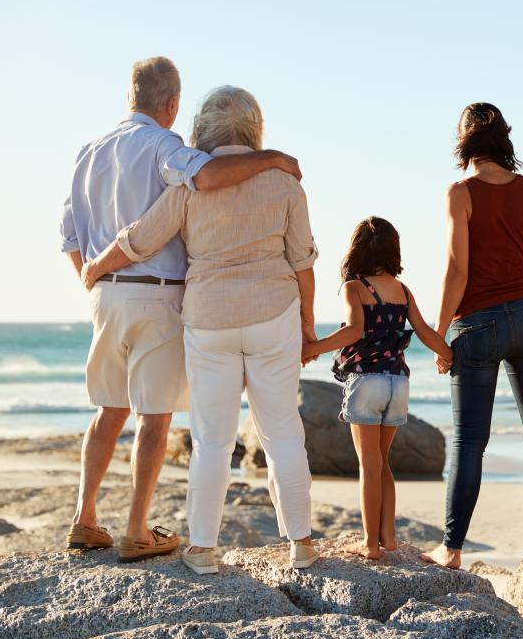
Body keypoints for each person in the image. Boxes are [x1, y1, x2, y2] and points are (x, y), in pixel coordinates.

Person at [60, 57, 302, 562]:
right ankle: (136, 530)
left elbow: (69, 235)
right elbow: (207, 176)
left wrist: (93, 274)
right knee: (155, 415)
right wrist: (272, 157)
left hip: (105, 293)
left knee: (110, 409)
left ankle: (84, 518)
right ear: (171, 104)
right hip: (159, 290)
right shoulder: (167, 147)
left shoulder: (88, 151)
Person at [423, 103, 523, 569]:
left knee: (469, 441)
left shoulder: (460, 192)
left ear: (465, 141)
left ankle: (452, 549)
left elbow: (458, 268)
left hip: (477, 324)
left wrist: (438, 334)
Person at [305, 217, 453, 560]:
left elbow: (354, 332)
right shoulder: (402, 289)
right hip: (398, 382)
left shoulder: (354, 287)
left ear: (356, 249)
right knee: (383, 463)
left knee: (368, 465)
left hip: (367, 381)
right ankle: (389, 537)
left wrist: (312, 348)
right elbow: (426, 332)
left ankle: (370, 544)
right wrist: (447, 355)